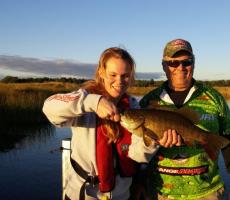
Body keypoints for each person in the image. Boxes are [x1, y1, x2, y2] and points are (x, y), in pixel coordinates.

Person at [43, 47, 179, 200]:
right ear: (101, 72)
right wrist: (94, 102)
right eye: (113, 75)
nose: (119, 81)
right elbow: (49, 107)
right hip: (84, 193)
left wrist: (154, 141)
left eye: (125, 76)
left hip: (122, 194)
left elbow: (137, 155)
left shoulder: (133, 108)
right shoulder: (85, 98)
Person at [138, 39, 230, 200]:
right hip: (159, 193)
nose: (180, 68)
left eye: (186, 62)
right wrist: (139, 182)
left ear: (194, 63)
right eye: (173, 63)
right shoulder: (149, 101)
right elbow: (137, 150)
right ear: (164, 66)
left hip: (207, 193)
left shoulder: (213, 98)